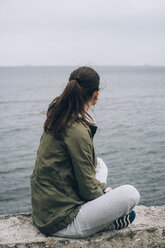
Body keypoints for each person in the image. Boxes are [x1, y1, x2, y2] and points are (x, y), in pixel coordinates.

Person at [30, 66, 140, 238]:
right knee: (131, 194)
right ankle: (105, 222)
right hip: (63, 222)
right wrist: (106, 198)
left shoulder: (59, 115)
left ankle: (105, 200)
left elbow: (85, 173)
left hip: (45, 211)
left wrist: (104, 191)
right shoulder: (77, 131)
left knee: (100, 165)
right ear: (96, 95)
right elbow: (87, 189)